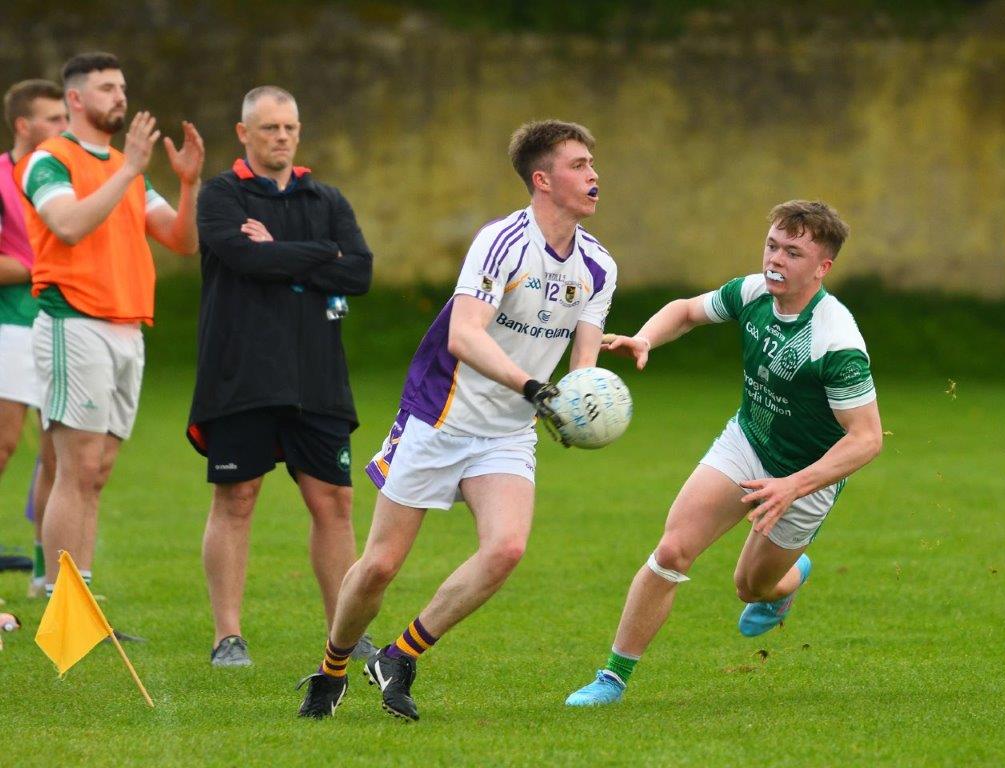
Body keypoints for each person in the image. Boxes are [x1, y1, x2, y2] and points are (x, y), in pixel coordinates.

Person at [296, 119, 618, 721]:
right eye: (578, 165)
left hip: (507, 431)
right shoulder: (503, 243)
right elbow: (464, 334)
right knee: (381, 565)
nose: (593, 174)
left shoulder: (599, 267)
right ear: (542, 180)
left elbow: (583, 364)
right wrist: (532, 386)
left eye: (592, 163)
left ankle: (400, 654)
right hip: (439, 416)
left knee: (507, 548)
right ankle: (332, 667)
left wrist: (580, 406)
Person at [564, 200, 883, 706]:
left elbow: (866, 438)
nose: (775, 260)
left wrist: (793, 486)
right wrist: (646, 338)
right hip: (747, 442)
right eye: (772, 245)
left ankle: (788, 579)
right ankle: (612, 678)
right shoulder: (754, 292)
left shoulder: (836, 342)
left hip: (805, 477)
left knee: (750, 588)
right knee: (672, 551)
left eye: (793, 253)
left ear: (823, 267)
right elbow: (687, 310)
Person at [187, 86, 373, 668]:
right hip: (241, 374)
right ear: (244, 133)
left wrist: (289, 252)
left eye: (289, 127)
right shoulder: (221, 196)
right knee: (237, 497)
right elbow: (247, 260)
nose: (282, 137)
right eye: (269, 128)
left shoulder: (327, 198)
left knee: (335, 503)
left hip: (318, 377)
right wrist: (322, 258)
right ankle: (228, 637)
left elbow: (361, 273)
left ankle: (344, 635)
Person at [14, 52, 204, 614]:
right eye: (105, 88)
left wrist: (189, 184)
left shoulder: (129, 168)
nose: (119, 96)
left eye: (121, 86)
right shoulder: (50, 161)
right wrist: (127, 171)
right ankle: (62, 604)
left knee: (97, 471)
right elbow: (68, 225)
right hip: (74, 322)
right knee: (74, 468)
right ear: (75, 99)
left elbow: (181, 239)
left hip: (127, 328)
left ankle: (80, 593)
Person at [0, 80, 66, 586]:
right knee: (3, 443)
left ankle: (46, 574)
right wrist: (36, 265)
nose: (64, 127)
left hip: (62, 321)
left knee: (57, 452)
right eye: (54, 119)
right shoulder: (3, 176)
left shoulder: (63, 178)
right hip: (11, 324)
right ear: (24, 125)